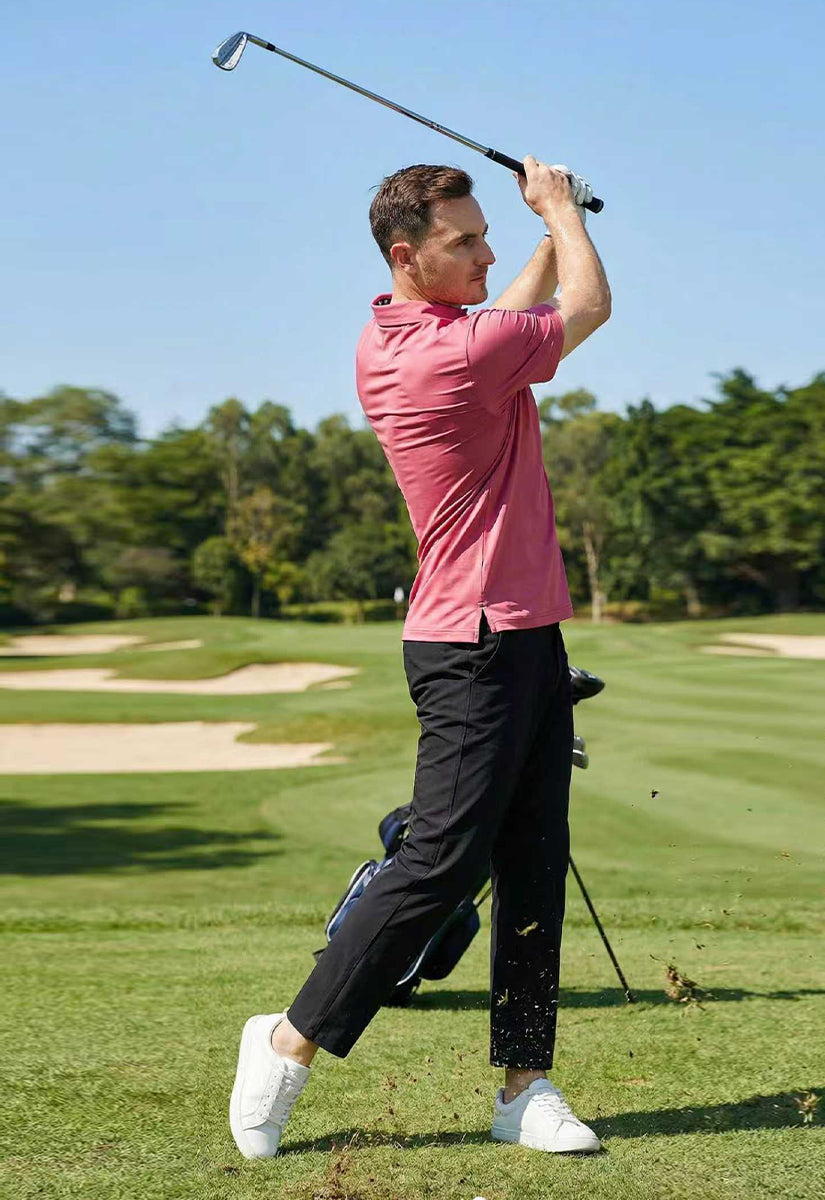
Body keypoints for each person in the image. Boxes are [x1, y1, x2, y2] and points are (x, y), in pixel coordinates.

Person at [229, 154, 612, 1159]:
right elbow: (588, 305)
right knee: (439, 861)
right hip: (471, 643)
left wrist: (544, 231)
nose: (484, 255)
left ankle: (524, 1086)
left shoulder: (419, 335)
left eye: (487, 237)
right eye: (464, 242)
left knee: (532, 863)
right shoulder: (448, 358)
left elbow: (506, 314)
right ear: (406, 256)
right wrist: (562, 215)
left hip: (528, 633)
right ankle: (286, 1040)